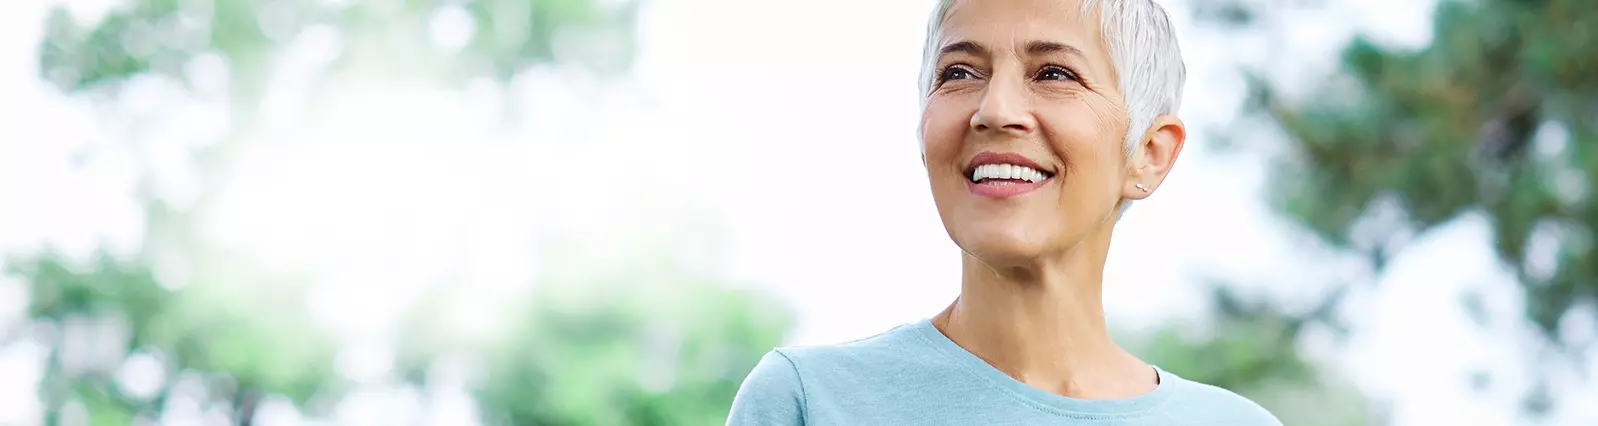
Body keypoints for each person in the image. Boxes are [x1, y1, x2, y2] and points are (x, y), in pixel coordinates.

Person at [726, 0, 1283, 424]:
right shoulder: (809, 401)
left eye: (1054, 74)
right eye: (960, 73)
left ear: (1149, 153)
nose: (994, 111)